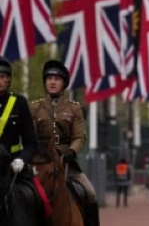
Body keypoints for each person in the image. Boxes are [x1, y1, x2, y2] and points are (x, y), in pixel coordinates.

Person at [30, 60, 99, 226]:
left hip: (66, 163)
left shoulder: (74, 108)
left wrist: (71, 152)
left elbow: (79, 136)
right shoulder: (34, 107)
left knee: (90, 193)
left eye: (57, 79)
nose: (52, 82)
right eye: (49, 78)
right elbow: (30, 136)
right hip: (41, 164)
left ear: (64, 83)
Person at [0, 56, 38, 170]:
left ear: (8, 80)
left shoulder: (19, 102)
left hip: (12, 166)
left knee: (34, 188)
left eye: (2, 77)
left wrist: (22, 159)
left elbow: (31, 142)